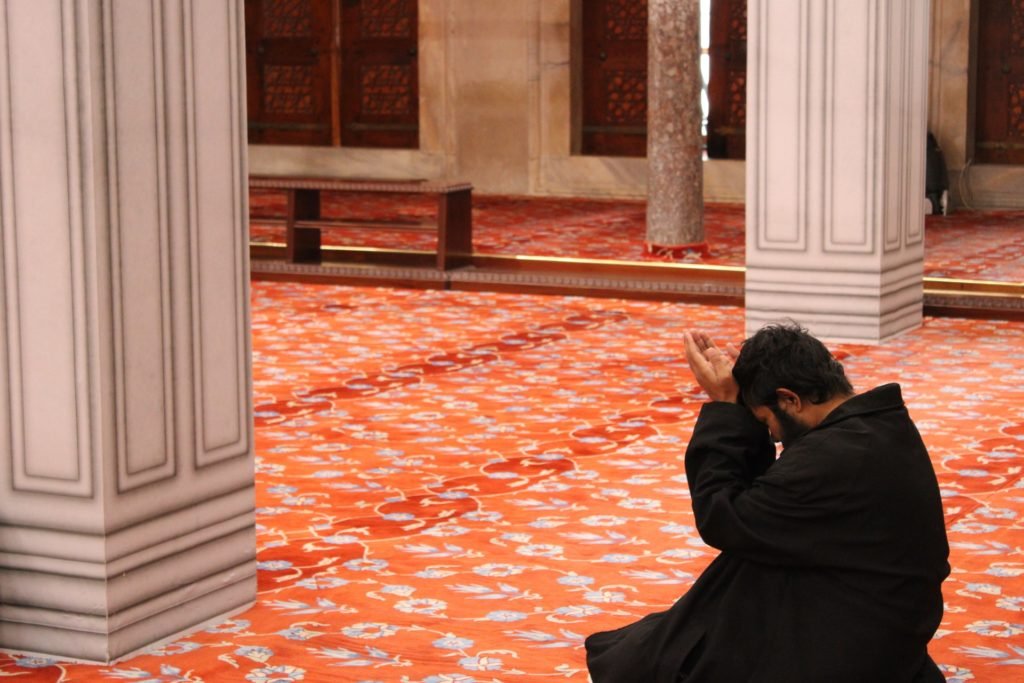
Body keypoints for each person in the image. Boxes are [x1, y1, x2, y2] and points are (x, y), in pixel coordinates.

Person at [585, 322, 949, 682]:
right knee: (700, 609)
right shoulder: (876, 424)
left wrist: (726, 407)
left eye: (765, 421)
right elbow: (762, 505)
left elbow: (721, 517)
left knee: (661, 656)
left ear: (790, 399)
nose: (772, 436)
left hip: (861, 638)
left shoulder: (830, 456)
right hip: (888, 617)